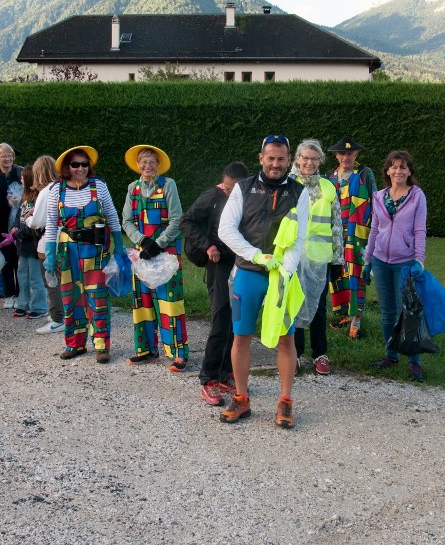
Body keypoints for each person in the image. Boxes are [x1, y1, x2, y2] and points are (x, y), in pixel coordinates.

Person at [218, 134, 309, 428]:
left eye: (281, 158)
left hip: (281, 277)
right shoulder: (243, 188)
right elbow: (226, 230)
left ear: (289, 160)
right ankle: (241, 398)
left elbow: (300, 239)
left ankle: (285, 402)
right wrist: (257, 256)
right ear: (261, 158)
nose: (276, 164)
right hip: (248, 273)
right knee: (241, 336)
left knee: (286, 338)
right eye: (270, 158)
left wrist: (284, 271)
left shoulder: (299, 192)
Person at [42, 146, 124, 364]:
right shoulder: (55, 190)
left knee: (98, 297)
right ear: (67, 167)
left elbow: (112, 216)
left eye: (84, 164)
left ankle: (101, 345)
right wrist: (50, 255)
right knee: (71, 298)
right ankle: (74, 343)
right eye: (75, 164)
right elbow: (51, 224)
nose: (80, 169)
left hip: (95, 251)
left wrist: (119, 246)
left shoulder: (99, 186)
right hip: (68, 252)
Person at [181, 161, 249, 405]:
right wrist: (207, 246)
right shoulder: (212, 195)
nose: (230, 193)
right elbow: (186, 222)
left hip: (239, 261)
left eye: (235, 190)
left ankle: (225, 373)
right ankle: (208, 379)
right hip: (217, 261)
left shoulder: (249, 195)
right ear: (223, 181)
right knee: (221, 315)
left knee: (236, 317)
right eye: (228, 188)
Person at [121, 145, 189, 371]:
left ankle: (178, 352)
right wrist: (143, 242)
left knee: (170, 301)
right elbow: (126, 222)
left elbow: (177, 219)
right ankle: (147, 349)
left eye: (151, 162)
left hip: (166, 252)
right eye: (143, 162)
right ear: (137, 165)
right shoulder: (133, 188)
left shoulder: (168, 185)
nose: (147, 166)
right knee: (142, 301)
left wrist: (157, 244)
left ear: (158, 165)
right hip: (141, 252)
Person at [363, 150, 428, 382]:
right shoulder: (379, 196)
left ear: (410, 171)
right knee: (387, 312)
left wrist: (419, 260)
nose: (398, 171)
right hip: (381, 261)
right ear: (387, 170)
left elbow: (420, 230)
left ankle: (414, 362)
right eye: (394, 166)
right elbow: (374, 229)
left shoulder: (417, 196)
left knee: (408, 312)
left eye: (403, 167)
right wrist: (368, 261)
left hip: (405, 262)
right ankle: (391, 355)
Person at [290, 139, 344, 376]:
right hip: (292, 255)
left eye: (314, 158)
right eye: (305, 157)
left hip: (319, 257)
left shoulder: (328, 187)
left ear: (320, 161)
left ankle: (320, 354)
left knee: (319, 307)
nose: (309, 162)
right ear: (297, 159)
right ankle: (295, 354)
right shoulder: (287, 183)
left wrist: (337, 259)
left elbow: (337, 226)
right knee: (294, 305)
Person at [326, 136, 378, 339]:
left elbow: (376, 201)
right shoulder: (329, 176)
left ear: (356, 154)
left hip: (358, 233)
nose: (346, 156)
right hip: (335, 234)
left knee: (356, 274)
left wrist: (376, 229)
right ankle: (344, 315)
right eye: (342, 153)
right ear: (336, 155)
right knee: (338, 275)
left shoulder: (365, 173)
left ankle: (356, 320)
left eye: (350, 153)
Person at [10, 165, 50, 320]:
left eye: (22, 177)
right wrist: (14, 226)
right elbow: (19, 216)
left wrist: (17, 234)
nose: (20, 179)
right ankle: (23, 304)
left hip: (33, 245)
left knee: (35, 277)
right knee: (22, 276)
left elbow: (35, 224)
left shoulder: (38, 198)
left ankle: (40, 306)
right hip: (22, 246)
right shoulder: (25, 198)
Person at [32, 154, 65, 335]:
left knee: (52, 282)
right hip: (66, 239)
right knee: (65, 280)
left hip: (49, 240)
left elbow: (38, 221)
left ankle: (57, 318)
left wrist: (28, 218)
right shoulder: (64, 187)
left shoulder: (46, 191)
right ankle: (66, 314)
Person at [0, 143, 22, 310]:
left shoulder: (20, 172)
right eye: (3, 156)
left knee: (19, 259)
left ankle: (20, 293)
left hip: (19, 222)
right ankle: (9, 294)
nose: (7, 158)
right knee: (5, 260)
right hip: (1, 222)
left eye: (9, 155)